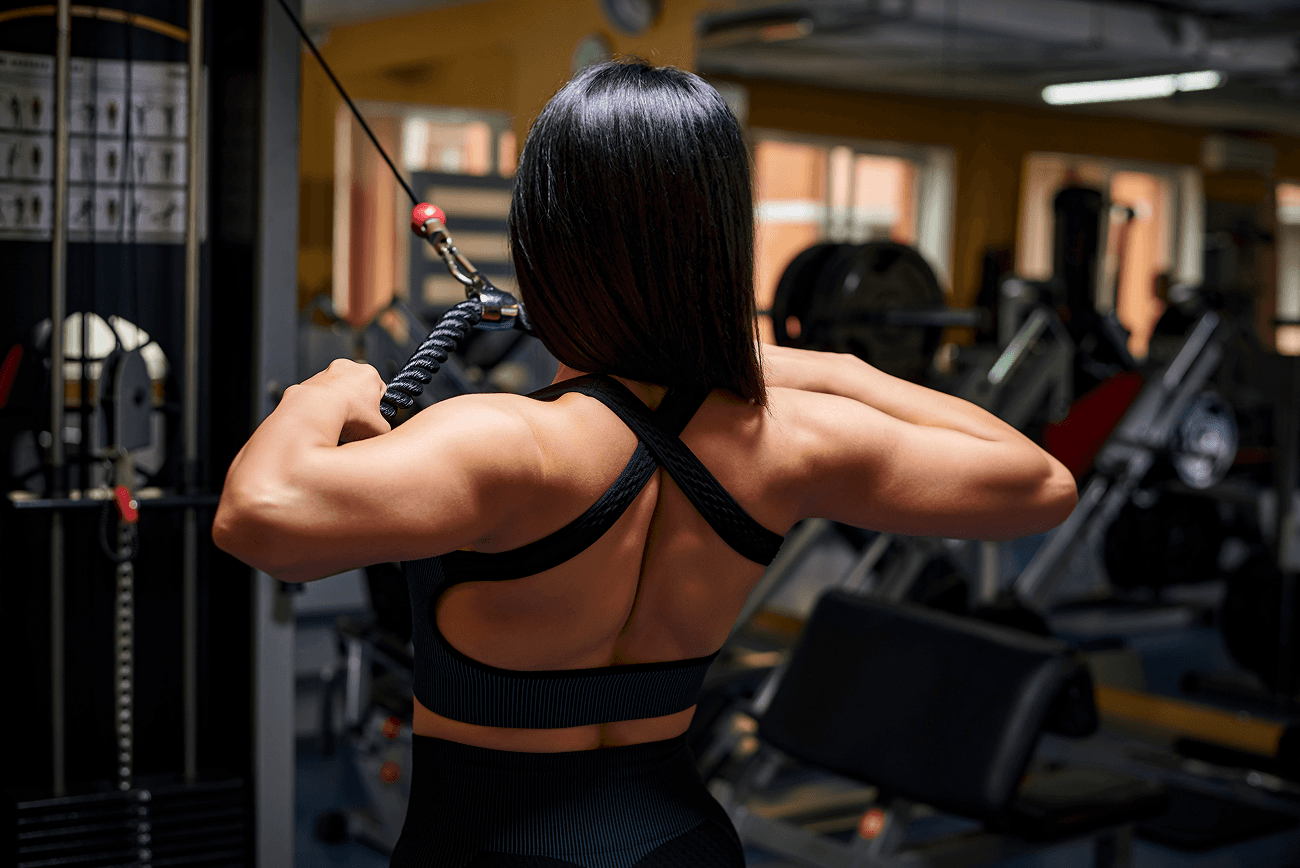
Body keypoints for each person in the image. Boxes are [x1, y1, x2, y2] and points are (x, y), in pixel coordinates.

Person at [214, 59, 1077, 868]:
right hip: (678, 841)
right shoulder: (791, 443)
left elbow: (258, 517)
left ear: (545, 238)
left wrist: (324, 390)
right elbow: (1041, 482)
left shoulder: (503, 441)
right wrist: (819, 365)